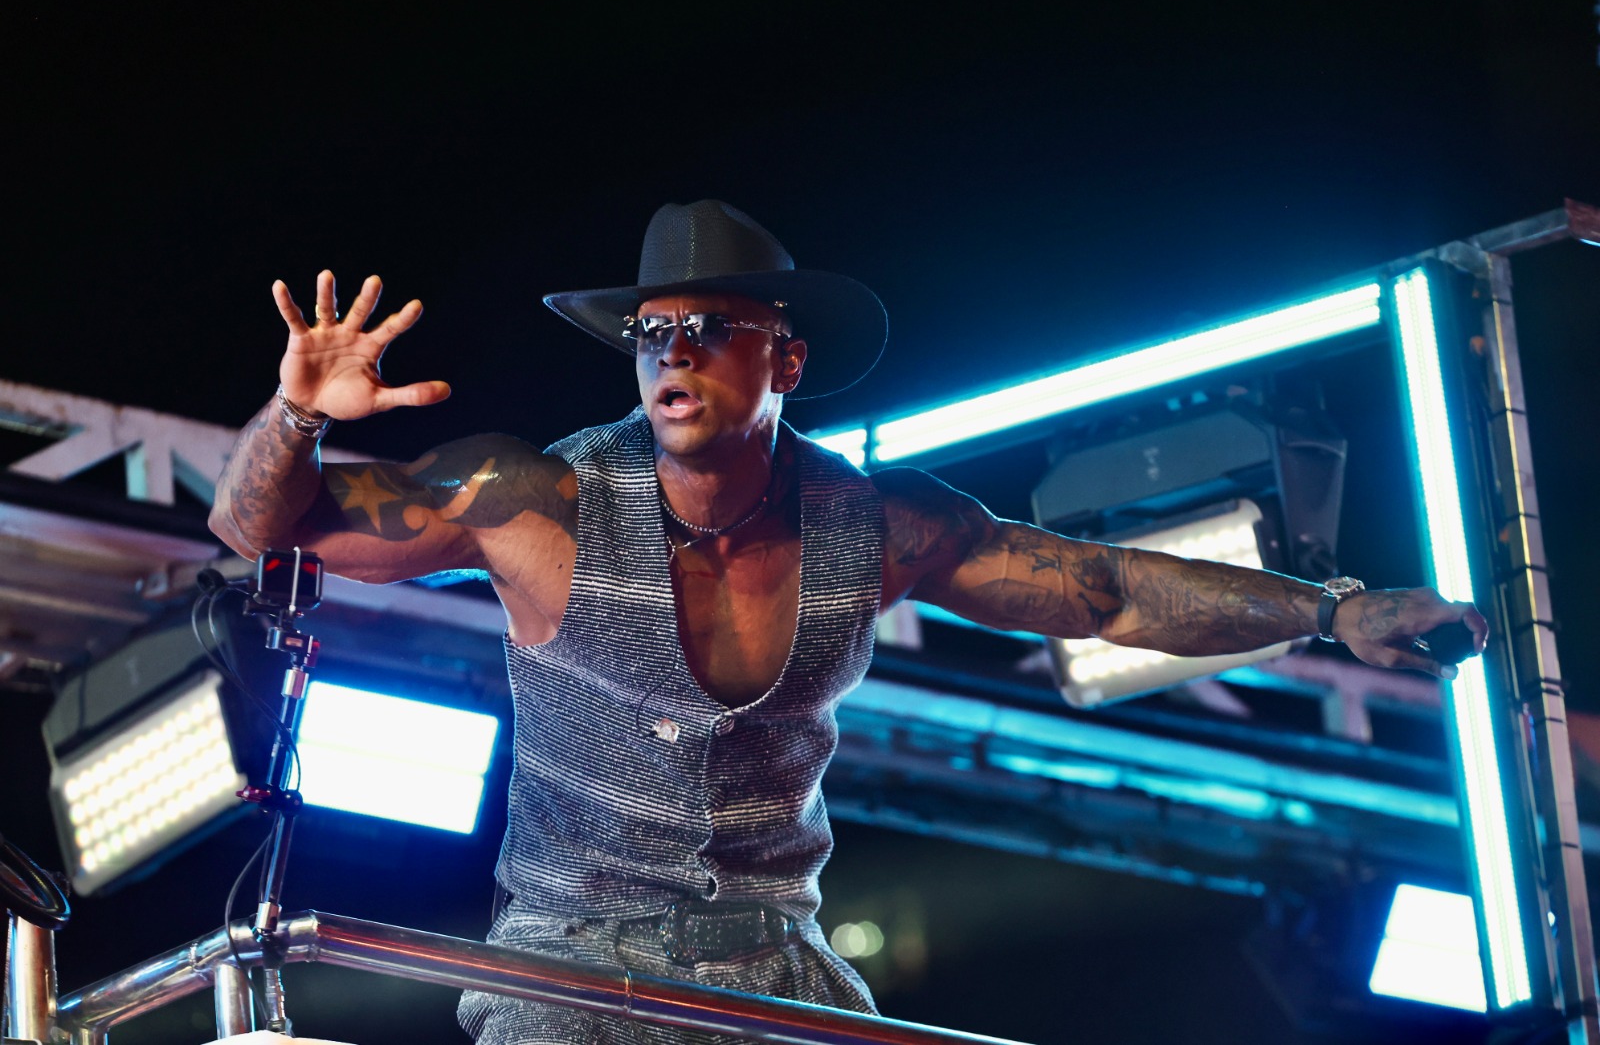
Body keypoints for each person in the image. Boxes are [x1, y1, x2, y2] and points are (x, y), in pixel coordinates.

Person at [208, 199, 1487, 1044]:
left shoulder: (874, 524)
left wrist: (1331, 608)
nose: (674, 354)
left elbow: (1102, 589)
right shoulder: (533, 500)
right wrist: (300, 414)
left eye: (711, 330)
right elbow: (255, 526)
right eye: (654, 332)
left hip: (781, 967)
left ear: (786, 358)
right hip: (574, 974)